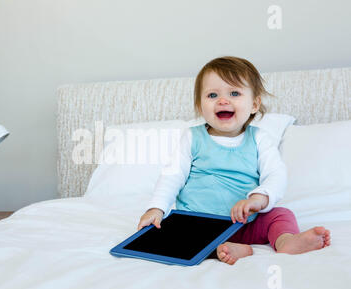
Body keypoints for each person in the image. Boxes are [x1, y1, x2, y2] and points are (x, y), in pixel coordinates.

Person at [137, 56, 331, 265]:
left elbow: (275, 174)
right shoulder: (192, 138)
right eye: (212, 95)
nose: (223, 100)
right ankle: (229, 250)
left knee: (281, 215)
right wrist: (156, 208)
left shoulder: (259, 139)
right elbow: (172, 176)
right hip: (198, 223)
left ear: (254, 104)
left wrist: (258, 199)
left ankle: (286, 241)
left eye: (234, 93)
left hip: (245, 223)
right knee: (167, 233)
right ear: (200, 106)